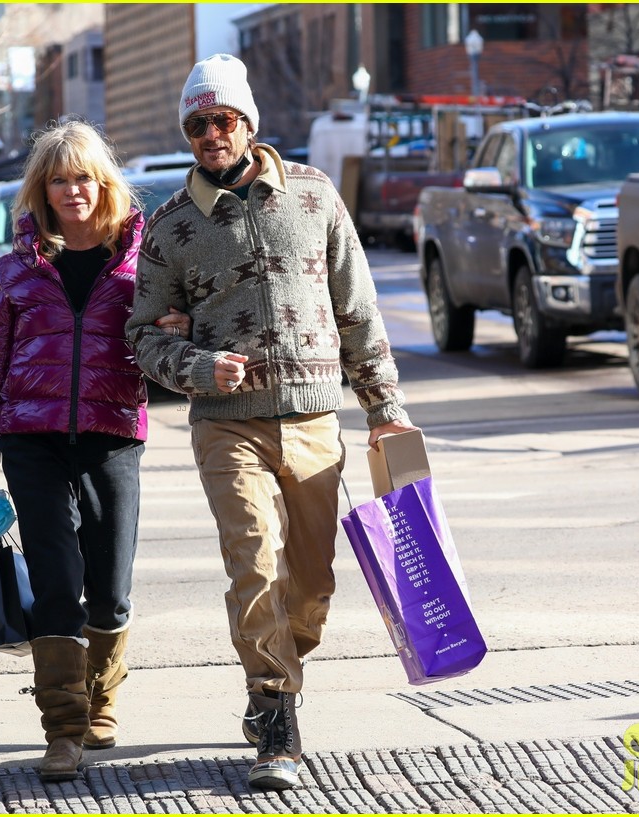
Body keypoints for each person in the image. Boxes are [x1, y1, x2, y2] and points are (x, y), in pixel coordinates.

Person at [126, 54, 418, 792]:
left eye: (221, 120)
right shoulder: (170, 228)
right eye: (196, 125)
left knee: (312, 584)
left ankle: (283, 663)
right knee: (252, 561)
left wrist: (385, 411)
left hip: (318, 416)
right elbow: (142, 336)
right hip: (228, 424)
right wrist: (196, 366)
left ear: (249, 123)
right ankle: (274, 716)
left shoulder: (316, 198)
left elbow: (359, 312)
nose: (209, 135)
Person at [0, 120, 189, 782]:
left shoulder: (143, 266)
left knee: (110, 588)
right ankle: (62, 728)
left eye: (82, 177)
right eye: (58, 179)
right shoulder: (15, 271)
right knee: (57, 582)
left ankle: (100, 702)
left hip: (112, 431)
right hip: (29, 437)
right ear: (42, 189)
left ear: (104, 183)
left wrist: (181, 331)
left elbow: (171, 338)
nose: (71, 190)